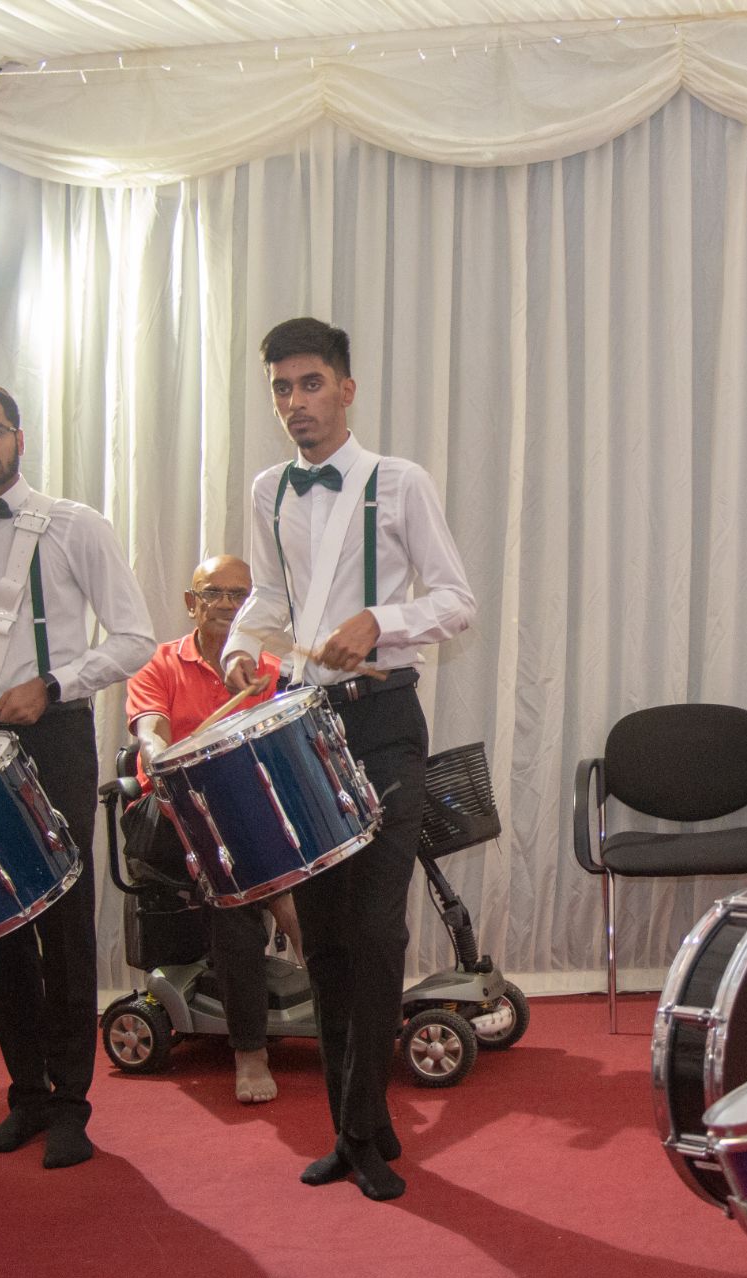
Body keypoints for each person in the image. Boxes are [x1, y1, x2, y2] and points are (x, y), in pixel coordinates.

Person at [223, 317, 475, 1201]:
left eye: (311, 384)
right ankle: (352, 1123)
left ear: (347, 389)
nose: (296, 402)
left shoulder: (399, 482)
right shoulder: (268, 490)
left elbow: (456, 598)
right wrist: (240, 646)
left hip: (381, 723)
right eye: (282, 389)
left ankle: (367, 1127)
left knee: (375, 931)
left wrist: (384, 620)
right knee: (325, 940)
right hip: (300, 725)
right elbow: (267, 593)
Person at [0, 382, 154, 1170]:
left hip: (56, 733)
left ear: (20, 437)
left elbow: (135, 637)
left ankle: (74, 1100)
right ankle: (26, 1093)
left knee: (62, 919)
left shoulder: (76, 525)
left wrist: (53, 684)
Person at [123, 553, 300, 1104]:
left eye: (239, 595)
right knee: (240, 892)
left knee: (271, 881)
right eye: (214, 593)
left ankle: (340, 1003)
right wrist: (155, 748)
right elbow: (148, 726)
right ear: (190, 602)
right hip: (172, 818)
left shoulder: (268, 668)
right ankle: (250, 1052)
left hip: (249, 820)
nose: (227, 604)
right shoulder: (158, 663)